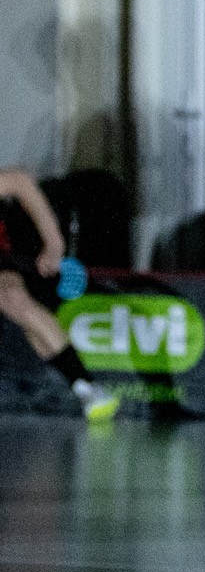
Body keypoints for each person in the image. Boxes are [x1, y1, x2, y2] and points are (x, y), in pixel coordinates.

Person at [0, 167, 117, 421]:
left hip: (9, 263)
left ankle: (86, 385)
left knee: (10, 296)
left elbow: (20, 181)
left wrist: (54, 243)